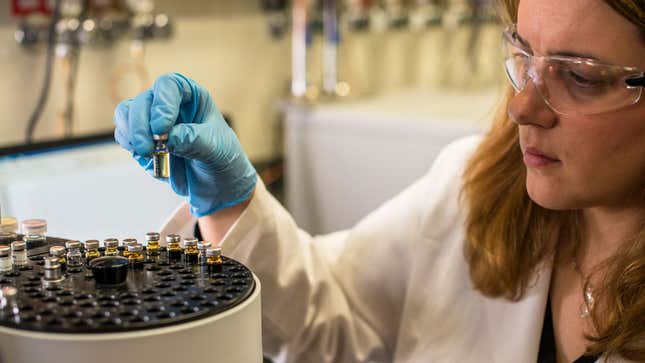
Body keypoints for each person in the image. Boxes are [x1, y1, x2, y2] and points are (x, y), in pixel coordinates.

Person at [113, 0, 645, 362]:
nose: (522, 108)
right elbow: (332, 317)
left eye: (580, 77)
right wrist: (230, 201)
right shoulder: (473, 188)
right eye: (523, 56)